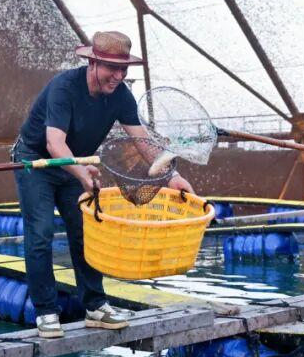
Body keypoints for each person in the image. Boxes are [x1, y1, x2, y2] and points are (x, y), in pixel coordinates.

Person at [13, 31, 194, 339]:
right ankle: (46, 312)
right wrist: (82, 172)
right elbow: (54, 144)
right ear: (93, 62)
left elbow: (142, 142)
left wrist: (170, 176)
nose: (118, 75)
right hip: (37, 164)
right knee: (41, 232)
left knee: (86, 233)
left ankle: (95, 307)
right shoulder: (64, 88)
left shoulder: (121, 95)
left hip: (76, 164)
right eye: (112, 67)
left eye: (123, 69)